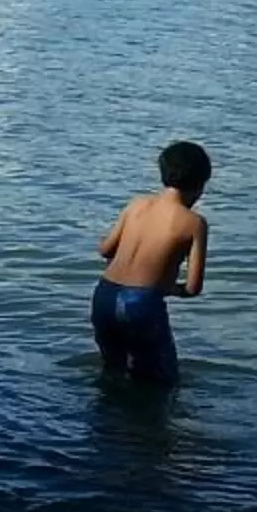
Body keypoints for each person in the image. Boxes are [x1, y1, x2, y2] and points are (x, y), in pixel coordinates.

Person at [94, 140, 211, 382]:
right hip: (142, 304)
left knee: (112, 372)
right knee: (162, 381)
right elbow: (193, 287)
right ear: (200, 186)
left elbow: (105, 250)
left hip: (104, 294)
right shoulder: (194, 223)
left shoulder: (136, 204)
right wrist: (168, 288)